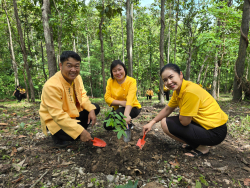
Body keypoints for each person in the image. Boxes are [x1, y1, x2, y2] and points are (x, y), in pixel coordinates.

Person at [143, 64, 228, 157]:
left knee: (166, 123)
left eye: (171, 77)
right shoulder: (178, 91)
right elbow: (167, 109)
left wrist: (182, 112)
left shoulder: (189, 91)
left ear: (180, 75)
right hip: (205, 126)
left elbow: (184, 122)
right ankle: (196, 142)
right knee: (168, 121)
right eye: (165, 80)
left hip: (215, 132)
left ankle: (201, 147)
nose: (169, 82)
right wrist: (151, 122)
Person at [39, 51, 100, 147]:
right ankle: (57, 136)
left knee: (95, 107)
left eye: (76, 66)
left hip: (72, 115)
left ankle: (76, 132)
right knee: (74, 136)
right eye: (69, 66)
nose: (73, 70)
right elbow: (58, 115)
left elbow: (83, 96)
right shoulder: (52, 86)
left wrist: (91, 109)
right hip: (56, 121)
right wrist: (80, 132)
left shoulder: (77, 78)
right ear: (61, 66)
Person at [104, 60, 141, 130]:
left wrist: (126, 114)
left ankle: (126, 123)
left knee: (118, 114)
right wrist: (121, 103)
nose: (118, 73)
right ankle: (127, 124)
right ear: (112, 72)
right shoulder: (110, 81)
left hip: (133, 107)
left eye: (119, 69)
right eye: (114, 71)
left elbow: (130, 99)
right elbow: (107, 98)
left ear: (124, 69)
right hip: (118, 107)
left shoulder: (132, 81)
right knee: (107, 125)